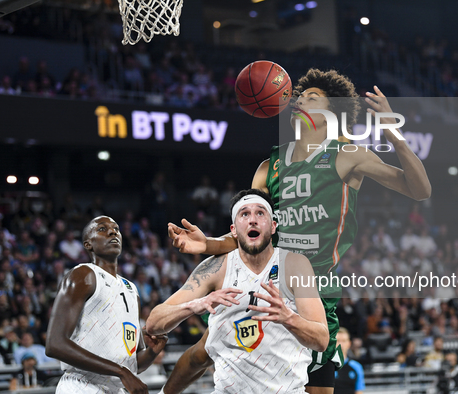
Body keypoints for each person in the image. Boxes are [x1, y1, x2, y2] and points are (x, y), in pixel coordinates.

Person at [165, 69, 432, 394]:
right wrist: (206, 243)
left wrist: (392, 131)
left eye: (313, 97)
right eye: (300, 97)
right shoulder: (270, 166)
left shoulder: (348, 154)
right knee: (201, 353)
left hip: (313, 293)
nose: (301, 100)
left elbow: (420, 189)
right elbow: (250, 236)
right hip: (265, 284)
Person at [147, 190, 328, 393]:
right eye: (244, 214)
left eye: (260, 213)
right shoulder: (216, 268)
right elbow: (154, 323)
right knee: (201, 352)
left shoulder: (294, 264)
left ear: (273, 226)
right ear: (233, 230)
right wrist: (194, 305)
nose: (252, 220)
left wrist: (289, 318)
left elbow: (321, 340)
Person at [45, 216, 167, 394]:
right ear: (88, 244)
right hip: (80, 386)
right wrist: (121, 372)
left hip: (116, 389)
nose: (112, 232)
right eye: (102, 229)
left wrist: (152, 352)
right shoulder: (83, 274)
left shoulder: (132, 290)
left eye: (116, 229)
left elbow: (133, 365)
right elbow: (55, 344)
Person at [334, 327, 365, 394]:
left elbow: (359, 391)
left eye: (344, 341)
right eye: (338, 340)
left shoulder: (356, 366)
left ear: (349, 343)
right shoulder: (327, 366)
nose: (341, 344)